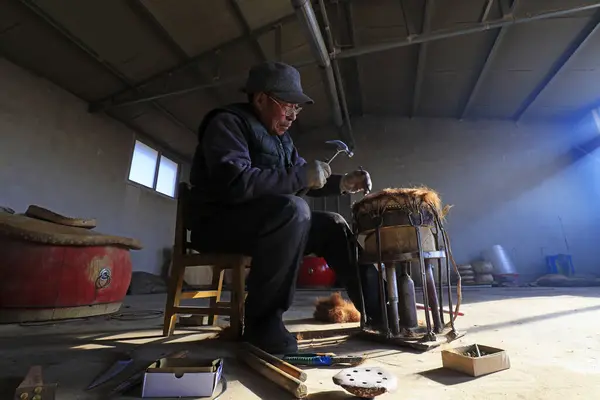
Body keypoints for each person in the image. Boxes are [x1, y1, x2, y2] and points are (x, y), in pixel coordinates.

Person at [188, 61, 382, 354]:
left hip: (269, 223)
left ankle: (380, 310)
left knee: (332, 223)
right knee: (293, 210)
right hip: (219, 223)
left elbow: (304, 179)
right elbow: (234, 182)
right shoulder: (228, 123)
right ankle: (262, 325)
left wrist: (343, 183)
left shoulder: (283, 141)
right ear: (261, 98)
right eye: (287, 105)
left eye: (297, 108)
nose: (292, 115)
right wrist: (299, 177)